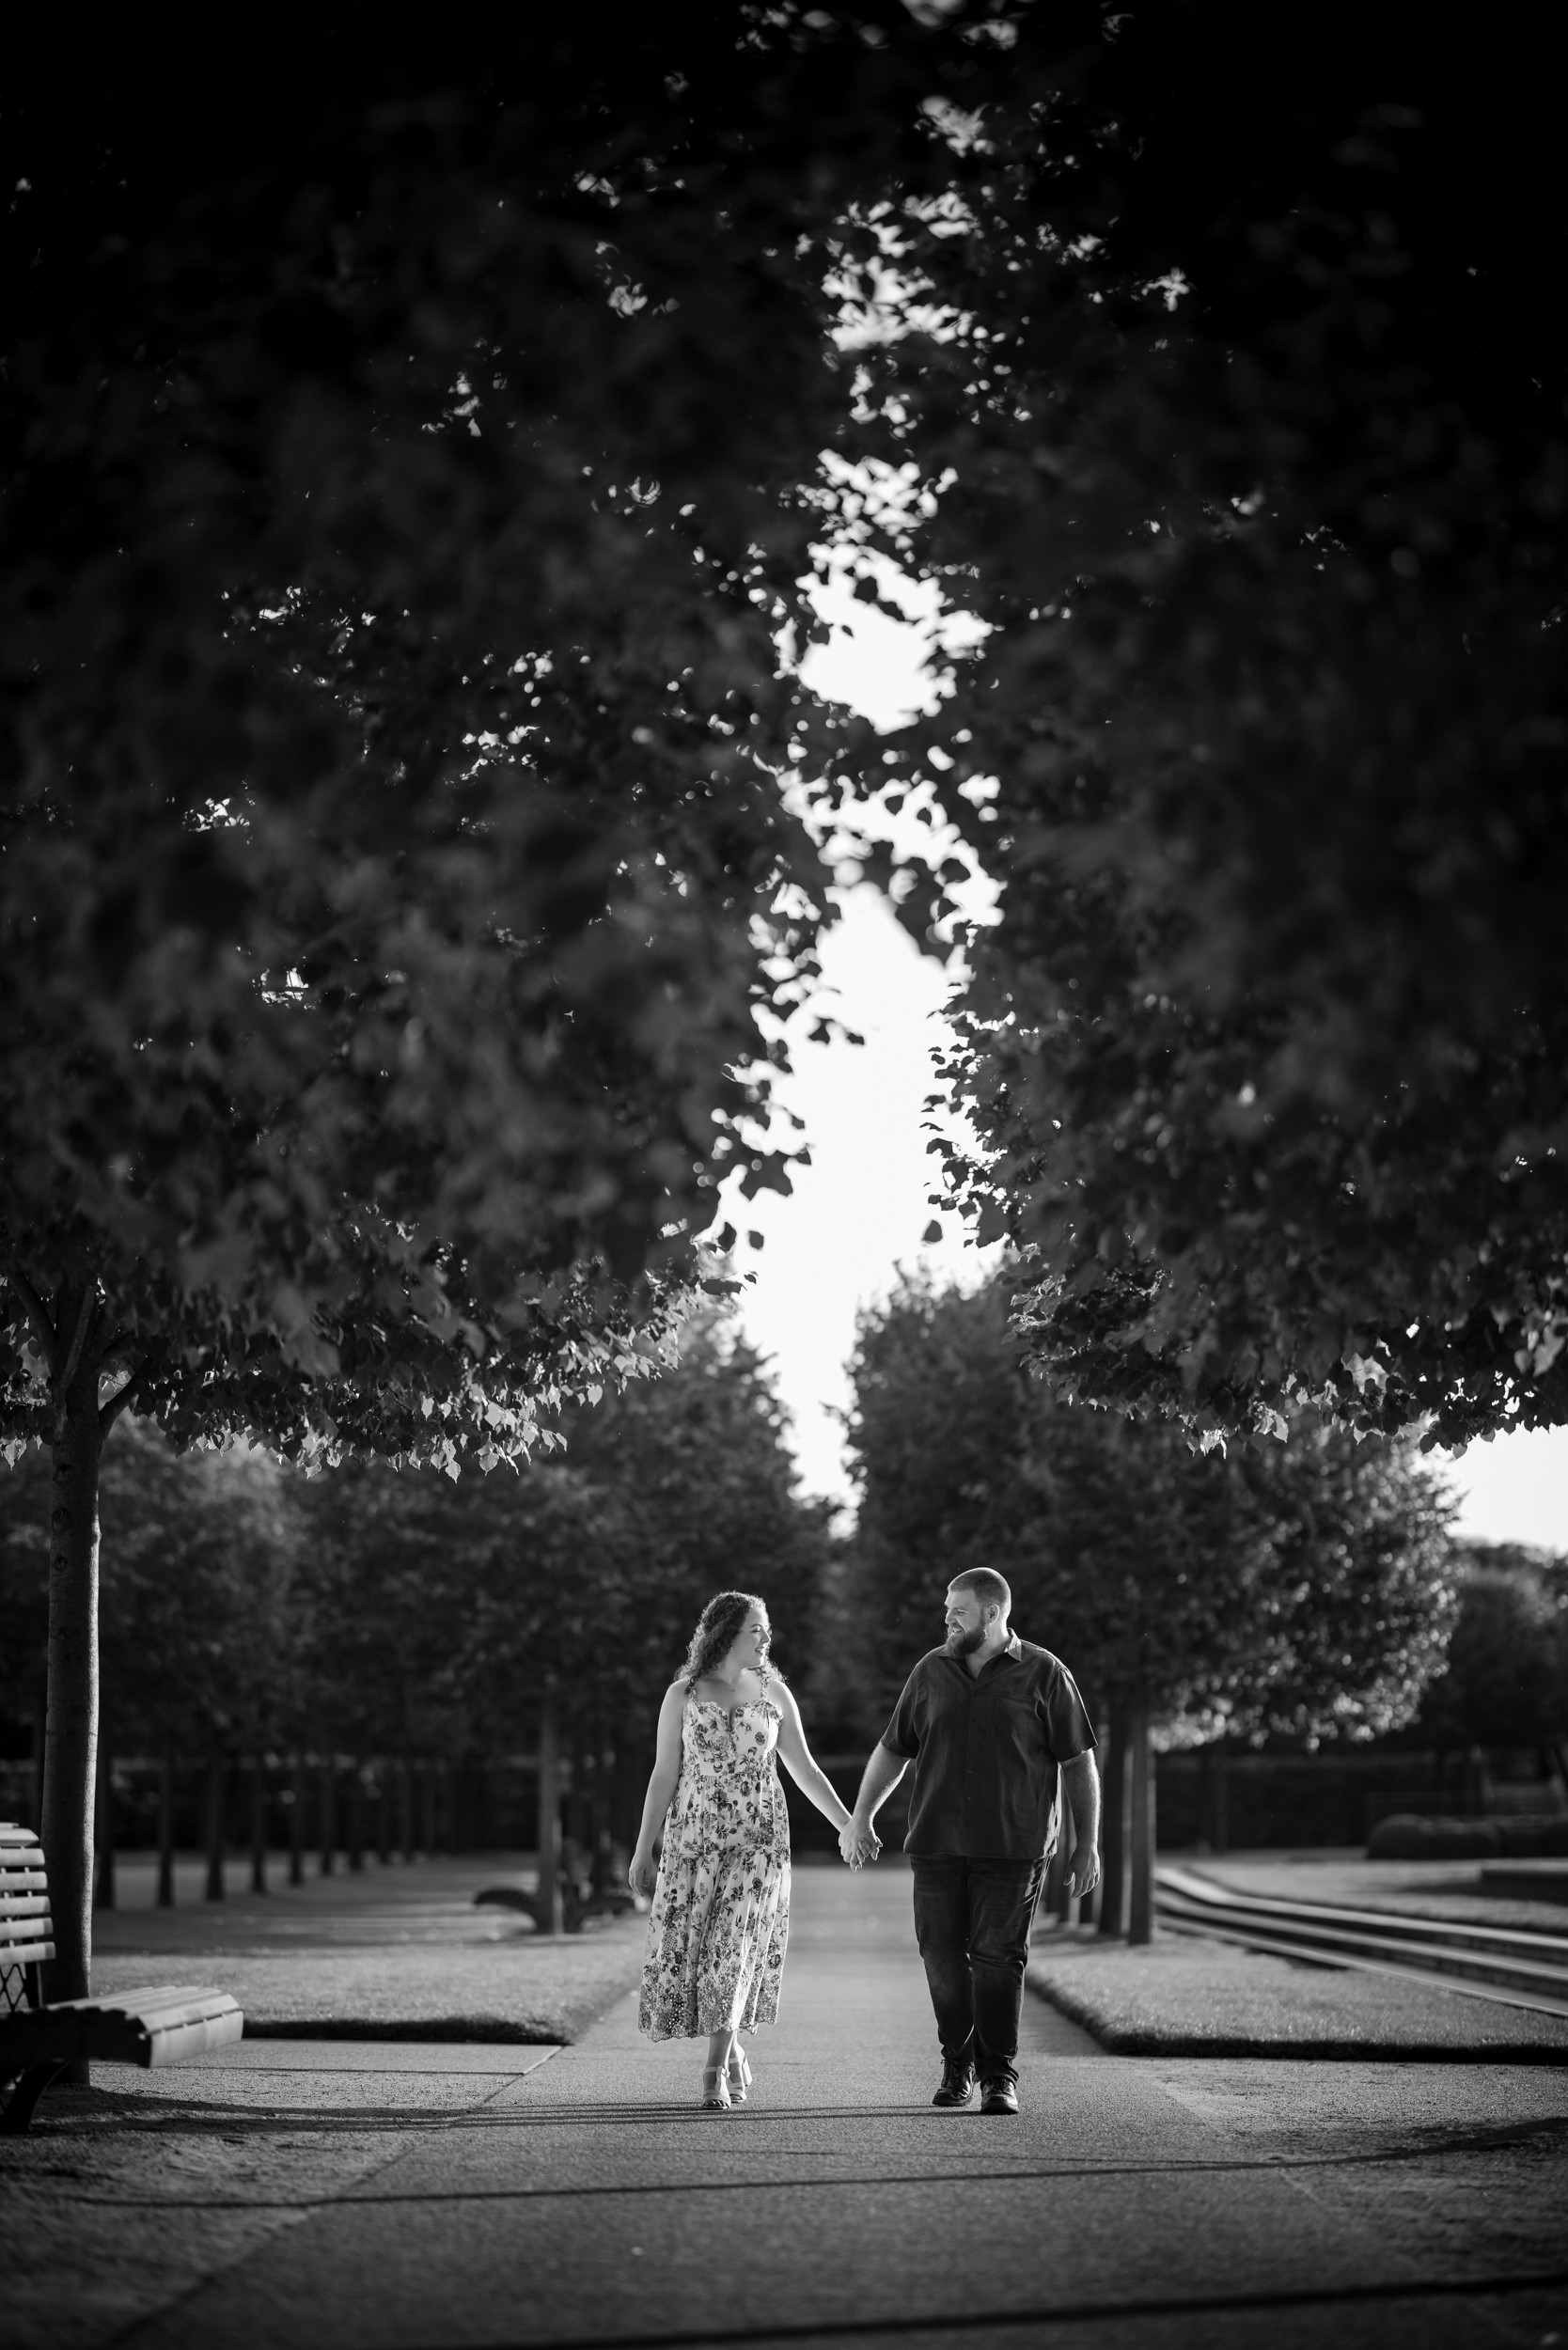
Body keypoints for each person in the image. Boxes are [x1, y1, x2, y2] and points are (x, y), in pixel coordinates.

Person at [840, 1566, 1100, 2116]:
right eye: (947, 1611)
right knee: (939, 1954)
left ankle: (997, 2076)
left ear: (992, 1613)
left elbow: (1078, 1760)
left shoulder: (1045, 1673)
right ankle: (956, 2061)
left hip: (1015, 1845)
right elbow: (894, 1748)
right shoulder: (930, 1671)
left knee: (998, 1958)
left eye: (956, 1611)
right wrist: (861, 1816)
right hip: (935, 1841)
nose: (947, 1619)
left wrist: (1087, 1843)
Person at [631, 1589, 860, 2110]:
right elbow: (664, 1772)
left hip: (759, 1844)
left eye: (767, 1629)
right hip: (694, 1843)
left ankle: (713, 2069)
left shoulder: (774, 1692)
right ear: (725, 1632)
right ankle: (731, 2051)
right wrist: (644, 1847)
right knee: (699, 1954)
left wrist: (849, 1824)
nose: (765, 1638)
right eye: (756, 1628)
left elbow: (803, 1768)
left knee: (732, 1950)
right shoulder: (682, 1694)